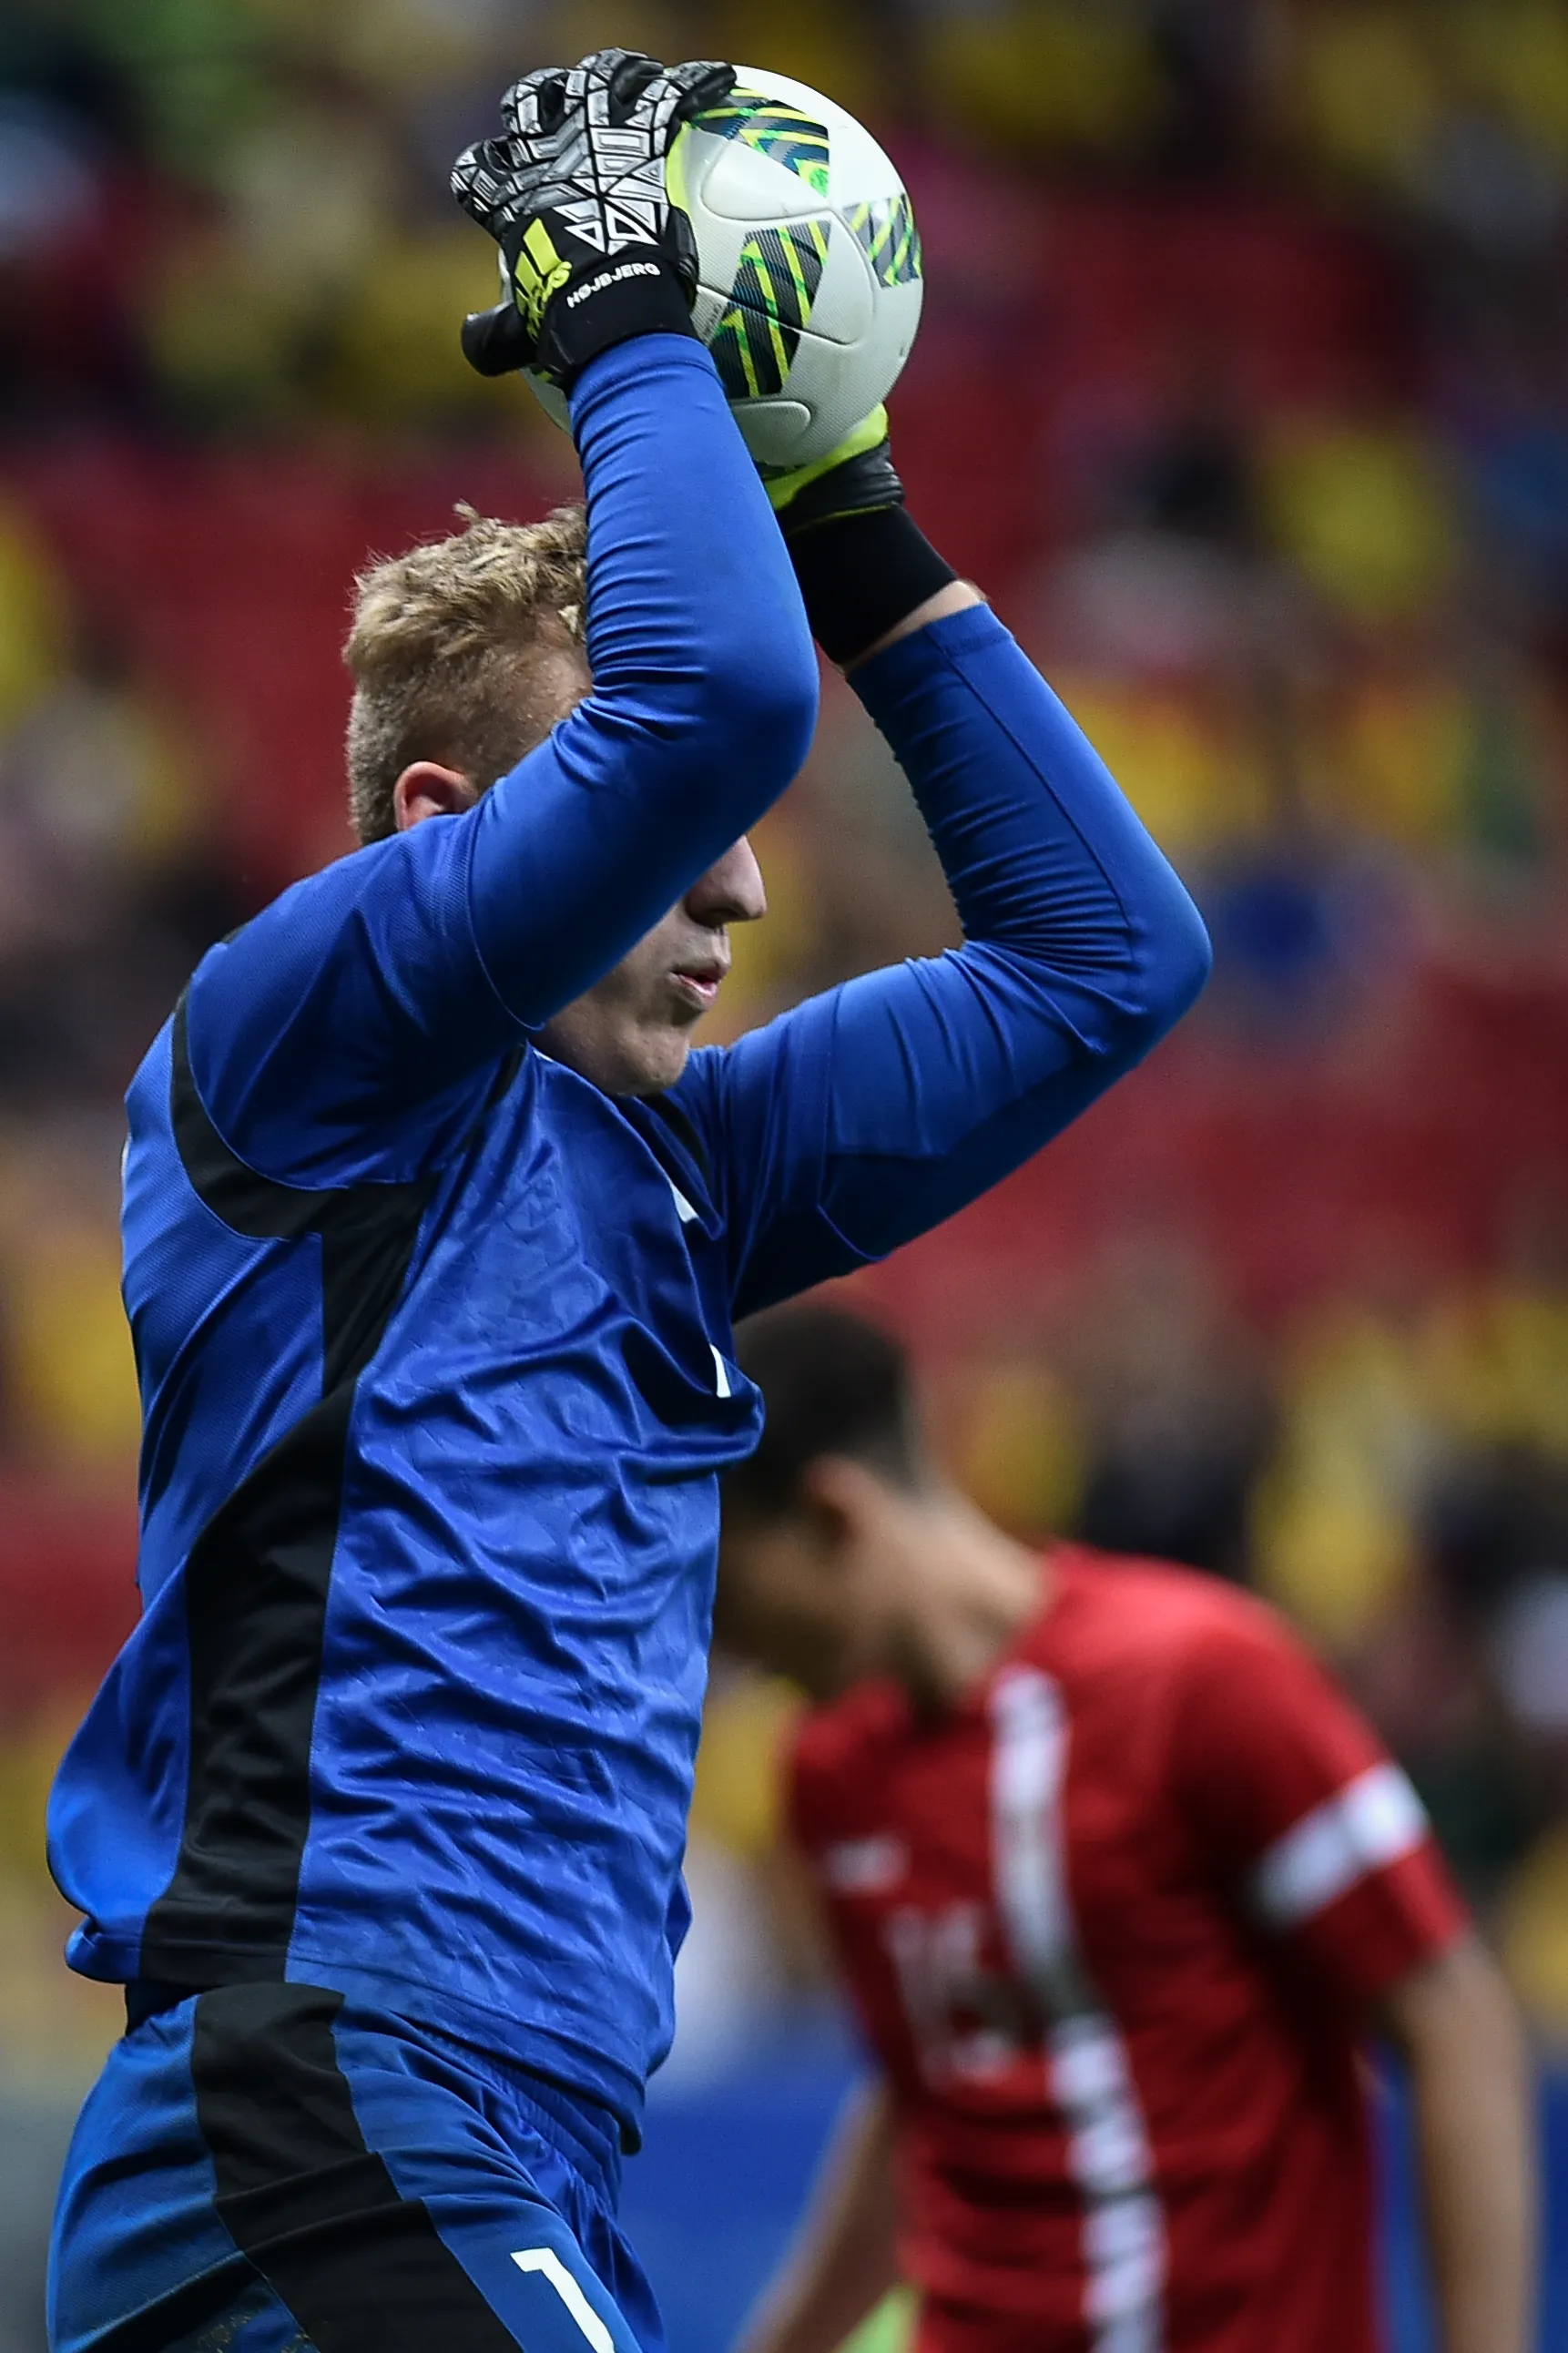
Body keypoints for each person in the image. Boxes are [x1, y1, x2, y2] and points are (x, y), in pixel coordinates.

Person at [44, 48, 1211, 2353]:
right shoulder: (307, 1045)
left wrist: (855, 502)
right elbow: (715, 709)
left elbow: (1109, 955)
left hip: (490, 2133)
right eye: (675, 855)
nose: (757, 890)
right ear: (453, 820)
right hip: (324, 2108)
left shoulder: (685, 1166)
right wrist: (622, 314)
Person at [718, 1309, 1536, 2353]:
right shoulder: (831, 1774)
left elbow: (1455, 2020)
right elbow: (924, 2096)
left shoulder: (1203, 1682)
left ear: (839, 1517)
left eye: (732, 1587)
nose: (729, 1645)